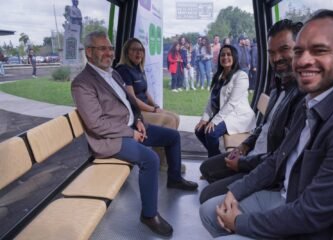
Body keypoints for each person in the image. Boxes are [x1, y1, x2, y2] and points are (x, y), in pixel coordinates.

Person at [200, 9, 333, 239]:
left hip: (307, 222)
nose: (303, 60)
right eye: (298, 51)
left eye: (319, 50)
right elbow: (278, 157)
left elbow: (311, 214)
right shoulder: (310, 99)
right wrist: (235, 192)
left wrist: (239, 223)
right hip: (287, 195)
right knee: (210, 211)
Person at [71, 31, 198, 237]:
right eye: (103, 48)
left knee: (172, 137)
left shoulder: (113, 74)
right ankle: (149, 214)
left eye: (110, 48)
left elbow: (131, 102)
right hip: (111, 138)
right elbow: (96, 124)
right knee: (150, 159)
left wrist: (138, 121)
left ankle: (174, 178)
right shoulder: (82, 83)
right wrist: (130, 132)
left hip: (132, 127)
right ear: (88, 52)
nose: (109, 53)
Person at [199, 19, 305, 204]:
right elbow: (263, 127)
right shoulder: (278, 87)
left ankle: (231, 192)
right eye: (271, 53)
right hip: (252, 153)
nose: (276, 57)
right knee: (206, 167)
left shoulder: (300, 97)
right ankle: (227, 183)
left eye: (284, 49)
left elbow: (279, 157)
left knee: (206, 196)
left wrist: (242, 163)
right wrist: (244, 146)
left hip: (261, 163)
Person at [194, 45, 256, 158]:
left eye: (229, 54)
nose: (225, 57)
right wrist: (204, 119)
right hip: (225, 114)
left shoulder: (241, 76)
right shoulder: (219, 76)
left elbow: (232, 103)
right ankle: (218, 159)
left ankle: (212, 167)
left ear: (235, 57)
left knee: (211, 133)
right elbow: (211, 100)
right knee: (199, 130)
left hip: (238, 116)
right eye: (222, 55)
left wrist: (214, 121)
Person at [115, 38, 180, 129]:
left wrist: (155, 106)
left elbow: (145, 92)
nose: (138, 53)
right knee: (170, 120)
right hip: (135, 112)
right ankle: (162, 142)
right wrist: (153, 110)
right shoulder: (123, 70)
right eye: (134, 50)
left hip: (146, 109)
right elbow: (132, 99)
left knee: (176, 117)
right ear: (126, 52)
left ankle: (166, 141)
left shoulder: (139, 69)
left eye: (141, 50)